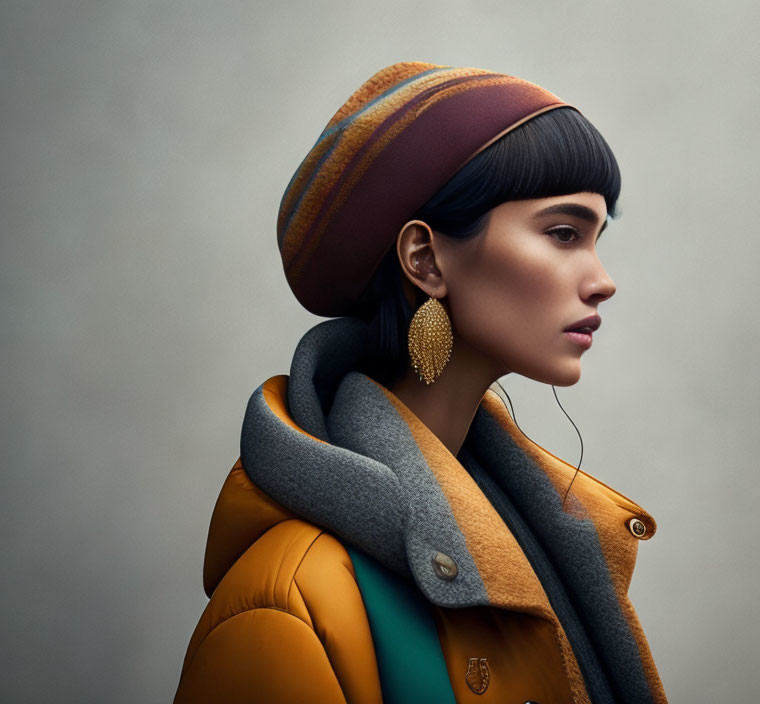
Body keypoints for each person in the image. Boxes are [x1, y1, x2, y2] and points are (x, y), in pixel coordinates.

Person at [173, 61, 667, 704]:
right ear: (425, 259)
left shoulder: (554, 546)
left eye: (597, 238)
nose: (602, 279)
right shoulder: (294, 603)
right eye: (563, 233)